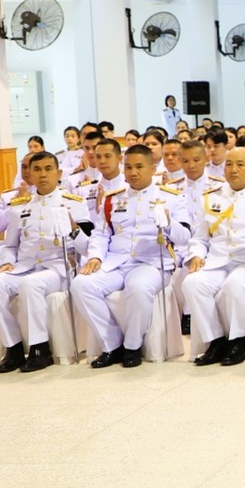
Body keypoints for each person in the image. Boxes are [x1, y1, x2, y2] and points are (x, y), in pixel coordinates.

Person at [74, 144, 187, 368]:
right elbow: (101, 234)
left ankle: (132, 346)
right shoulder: (113, 199)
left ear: (152, 168)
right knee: (81, 285)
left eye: (139, 167)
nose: (133, 172)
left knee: (138, 287)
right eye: (128, 167)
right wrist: (95, 257)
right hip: (116, 262)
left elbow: (185, 236)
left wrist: (168, 222)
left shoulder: (171, 198)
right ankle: (112, 344)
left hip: (152, 263)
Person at [0, 150, 89, 373]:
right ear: (29, 174)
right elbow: (10, 246)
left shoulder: (74, 203)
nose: (42, 174)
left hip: (57, 269)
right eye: (37, 169)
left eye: (48, 169)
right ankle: (13, 347)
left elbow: (87, 247)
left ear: (59, 173)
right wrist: (7, 262)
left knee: (30, 284)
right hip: (24, 267)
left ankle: (40, 348)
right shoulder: (19, 207)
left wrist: (73, 229)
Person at [183, 145, 245, 367]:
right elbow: (199, 237)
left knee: (235, 284)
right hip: (217, 262)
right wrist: (197, 255)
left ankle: (237, 341)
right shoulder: (211, 197)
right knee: (192, 283)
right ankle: (216, 340)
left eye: (240, 164)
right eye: (229, 164)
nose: (233, 170)